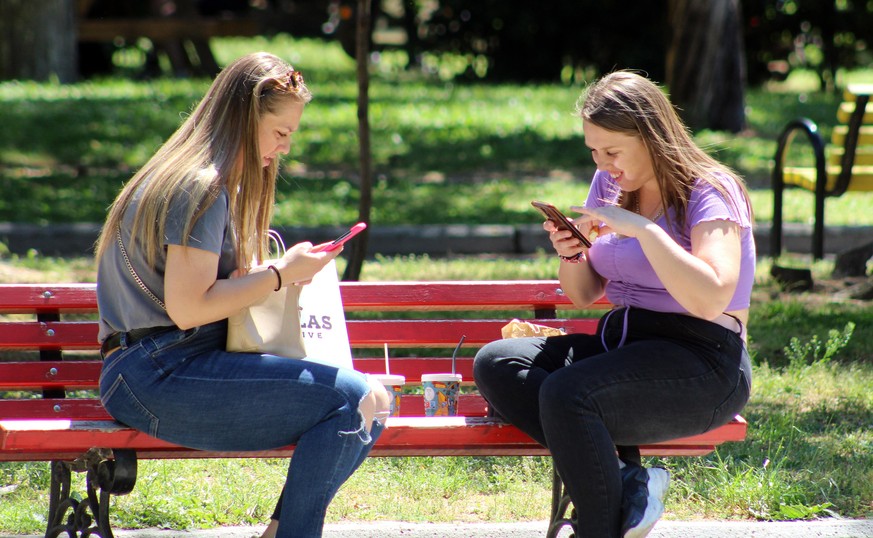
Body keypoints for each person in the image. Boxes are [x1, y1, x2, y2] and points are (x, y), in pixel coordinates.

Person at [94, 52, 391, 538]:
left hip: (158, 366)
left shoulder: (192, 176)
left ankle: (281, 531)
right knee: (352, 398)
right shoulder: (201, 186)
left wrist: (279, 270)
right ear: (244, 117)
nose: (285, 147)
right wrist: (279, 275)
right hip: (157, 373)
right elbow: (189, 308)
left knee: (375, 399)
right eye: (280, 133)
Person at [473, 71, 754, 538]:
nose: (603, 166)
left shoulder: (711, 190)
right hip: (624, 345)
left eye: (612, 151)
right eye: (594, 152)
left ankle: (598, 526)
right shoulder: (609, 186)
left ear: (651, 137)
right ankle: (629, 483)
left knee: (568, 393)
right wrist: (570, 251)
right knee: (498, 362)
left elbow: (710, 296)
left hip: (701, 360)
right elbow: (584, 293)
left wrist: (644, 230)